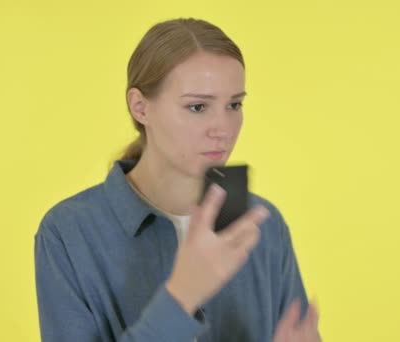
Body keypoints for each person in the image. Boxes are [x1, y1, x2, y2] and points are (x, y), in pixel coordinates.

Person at [34, 18, 321, 342]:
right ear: (140, 107)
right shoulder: (69, 232)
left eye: (234, 105)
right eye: (198, 107)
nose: (223, 127)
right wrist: (182, 295)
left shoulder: (263, 224)